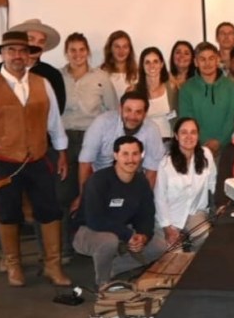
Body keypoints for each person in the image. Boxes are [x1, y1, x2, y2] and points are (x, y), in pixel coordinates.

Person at [0, 31, 71, 287]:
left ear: (29, 55)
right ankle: (13, 265)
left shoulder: (42, 84)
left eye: (22, 51)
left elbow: (54, 122)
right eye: (11, 50)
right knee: (8, 212)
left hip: (38, 157)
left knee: (49, 210)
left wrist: (62, 153)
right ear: (2, 54)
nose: (17, 56)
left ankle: (52, 265)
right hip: (3, 160)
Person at [73, 136, 166, 287]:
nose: (131, 159)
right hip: (87, 231)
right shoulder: (98, 180)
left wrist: (143, 235)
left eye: (135, 154)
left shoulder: (141, 181)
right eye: (125, 154)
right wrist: (128, 235)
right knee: (108, 241)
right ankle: (103, 285)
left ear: (141, 156)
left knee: (161, 246)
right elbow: (95, 220)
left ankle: (113, 268)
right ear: (115, 155)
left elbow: (146, 214)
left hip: (123, 230)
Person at [60, 33, 118, 246]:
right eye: (72, 50)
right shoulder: (57, 77)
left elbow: (113, 111)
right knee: (64, 193)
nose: (77, 55)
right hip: (64, 141)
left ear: (88, 52)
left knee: (92, 191)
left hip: (92, 138)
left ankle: (92, 239)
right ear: (66, 53)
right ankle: (67, 246)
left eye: (81, 50)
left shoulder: (100, 77)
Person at [75, 91, 166, 211]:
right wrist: (84, 198)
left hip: (132, 183)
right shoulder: (102, 123)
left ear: (145, 114)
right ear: (120, 109)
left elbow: (151, 172)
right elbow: (85, 163)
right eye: (128, 110)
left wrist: (143, 203)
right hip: (100, 182)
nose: (132, 116)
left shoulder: (152, 130)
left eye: (138, 112)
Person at [154, 118, 216, 252]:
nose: (189, 137)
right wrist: (167, 228)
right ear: (176, 136)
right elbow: (159, 198)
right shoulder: (165, 163)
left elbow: (213, 183)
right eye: (184, 132)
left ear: (198, 135)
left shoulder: (206, 155)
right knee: (175, 252)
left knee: (205, 238)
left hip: (194, 211)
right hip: (170, 217)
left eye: (193, 132)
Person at [178, 42, 234, 157]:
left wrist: (219, 141)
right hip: (195, 150)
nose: (207, 63)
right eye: (202, 59)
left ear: (217, 60)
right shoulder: (186, 89)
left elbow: (233, 117)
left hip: (227, 149)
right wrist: (204, 142)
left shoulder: (231, 87)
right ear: (196, 62)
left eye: (211, 58)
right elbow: (186, 118)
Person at [0, 18, 66, 114]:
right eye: (31, 39)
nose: (36, 45)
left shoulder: (52, 74)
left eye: (41, 41)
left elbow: (58, 110)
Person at [136, 47, 178, 140]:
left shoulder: (171, 87)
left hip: (169, 141)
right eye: (147, 62)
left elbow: (176, 115)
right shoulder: (134, 91)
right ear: (142, 66)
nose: (152, 66)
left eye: (155, 61)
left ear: (162, 64)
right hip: (143, 141)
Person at [101, 30, 138, 99]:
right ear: (110, 49)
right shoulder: (100, 74)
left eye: (125, 47)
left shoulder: (138, 75)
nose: (121, 51)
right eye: (117, 47)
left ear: (130, 50)